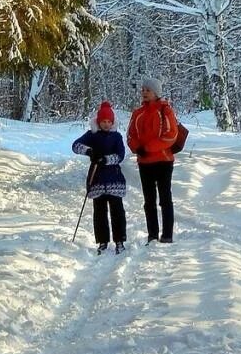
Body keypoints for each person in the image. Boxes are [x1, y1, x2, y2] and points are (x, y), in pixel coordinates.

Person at [126, 78, 178, 244]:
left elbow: (170, 135)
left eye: (148, 89)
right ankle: (152, 234)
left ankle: (167, 234)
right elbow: (130, 135)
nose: (144, 92)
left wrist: (148, 148)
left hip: (163, 160)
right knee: (149, 201)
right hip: (144, 163)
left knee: (164, 198)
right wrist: (136, 148)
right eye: (143, 89)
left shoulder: (165, 111)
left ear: (156, 92)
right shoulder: (137, 113)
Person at [72, 101, 127, 254]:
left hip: (114, 180)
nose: (106, 124)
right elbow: (75, 146)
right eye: (103, 121)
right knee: (99, 212)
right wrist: (90, 151)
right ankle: (102, 241)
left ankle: (119, 240)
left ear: (113, 122)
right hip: (96, 179)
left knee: (117, 212)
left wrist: (106, 159)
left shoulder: (116, 137)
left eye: (109, 121)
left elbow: (121, 155)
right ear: (98, 121)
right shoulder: (92, 135)